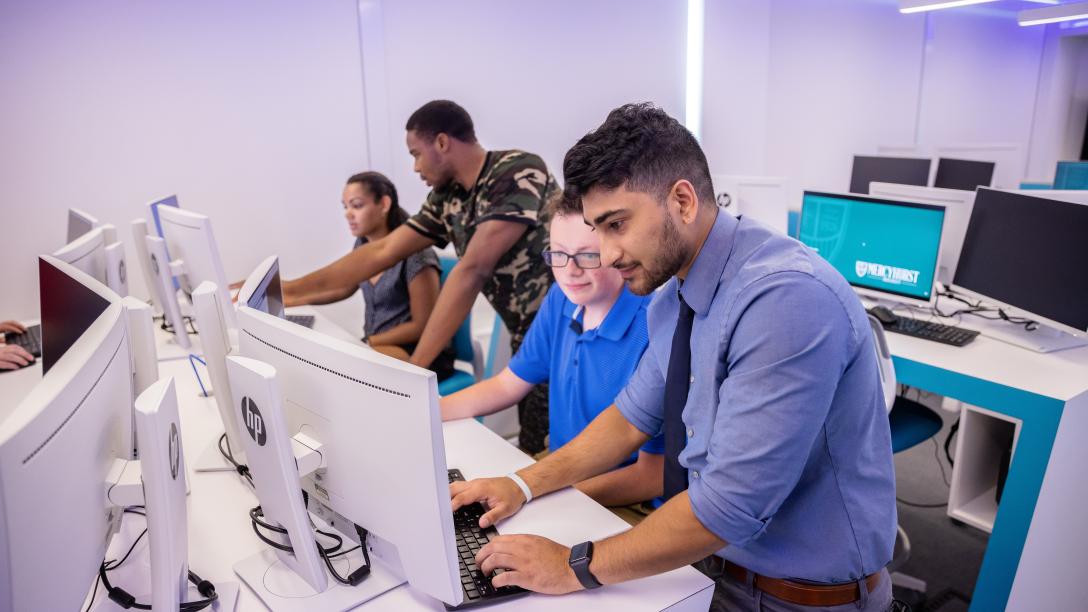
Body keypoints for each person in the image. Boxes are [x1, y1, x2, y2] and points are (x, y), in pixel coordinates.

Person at [450, 103, 898, 612]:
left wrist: (569, 566)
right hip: (711, 566)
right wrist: (520, 484)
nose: (608, 252)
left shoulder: (783, 299)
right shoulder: (671, 297)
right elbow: (625, 421)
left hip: (795, 597)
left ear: (682, 200)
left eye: (617, 224)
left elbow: (730, 506)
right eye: (598, 229)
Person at [282, 100, 557, 453]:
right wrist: (287, 288)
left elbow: (473, 269)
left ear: (442, 143)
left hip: (569, 329)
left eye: (416, 154)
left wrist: (415, 371)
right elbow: (381, 251)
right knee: (537, 447)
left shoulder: (517, 170)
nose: (414, 167)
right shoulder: (446, 198)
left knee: (562, 452)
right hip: (529, 336)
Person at [441, 199, 664, 514]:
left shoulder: (655, 327)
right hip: (563, 470)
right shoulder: (561, 300)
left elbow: (652, 477)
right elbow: (507, 385)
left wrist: (536, 494)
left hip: (624, 496)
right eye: (558, 254)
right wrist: (425, 411)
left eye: (587, 255)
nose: (569, 271)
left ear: (617, 251)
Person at [339, 171, 456, 380]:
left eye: (356, 205)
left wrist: (371, 342)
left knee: (355, 376)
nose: (348, 214)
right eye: (345, 206)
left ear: (384, 204)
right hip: (379, 346)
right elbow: (342, 285)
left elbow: (423, 326)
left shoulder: (417, 253)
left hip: (421, 352)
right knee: (344, 369)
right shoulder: (362, 246)